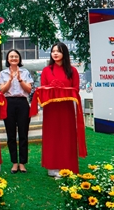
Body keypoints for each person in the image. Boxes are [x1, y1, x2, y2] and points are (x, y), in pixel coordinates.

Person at [37, 42, 85, 177]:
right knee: (52, 136)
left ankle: (67, 166)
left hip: (66, 109)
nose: (55, 53)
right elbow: (43, 89)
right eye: (53, 51)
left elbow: (76, 89)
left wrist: (62, 92)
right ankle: (52, 166)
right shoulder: (47, 70)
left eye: (58, 51)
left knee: (66, 136)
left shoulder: (72, 70)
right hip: (51, 109)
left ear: (64, 53)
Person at [0, 49, 33, 174]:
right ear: (7, 59)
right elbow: (2, 90)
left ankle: (22, 163)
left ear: (19, 59)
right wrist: (10, 79)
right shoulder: (3, 73)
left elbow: (29, 90)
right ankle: (14, 162)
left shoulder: (25, 72)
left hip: (23, 103)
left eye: (16, 56)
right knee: (11, 134)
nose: (13, 58)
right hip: (9, 103)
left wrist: (19, 79)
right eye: (11, 56)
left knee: (23, 133)